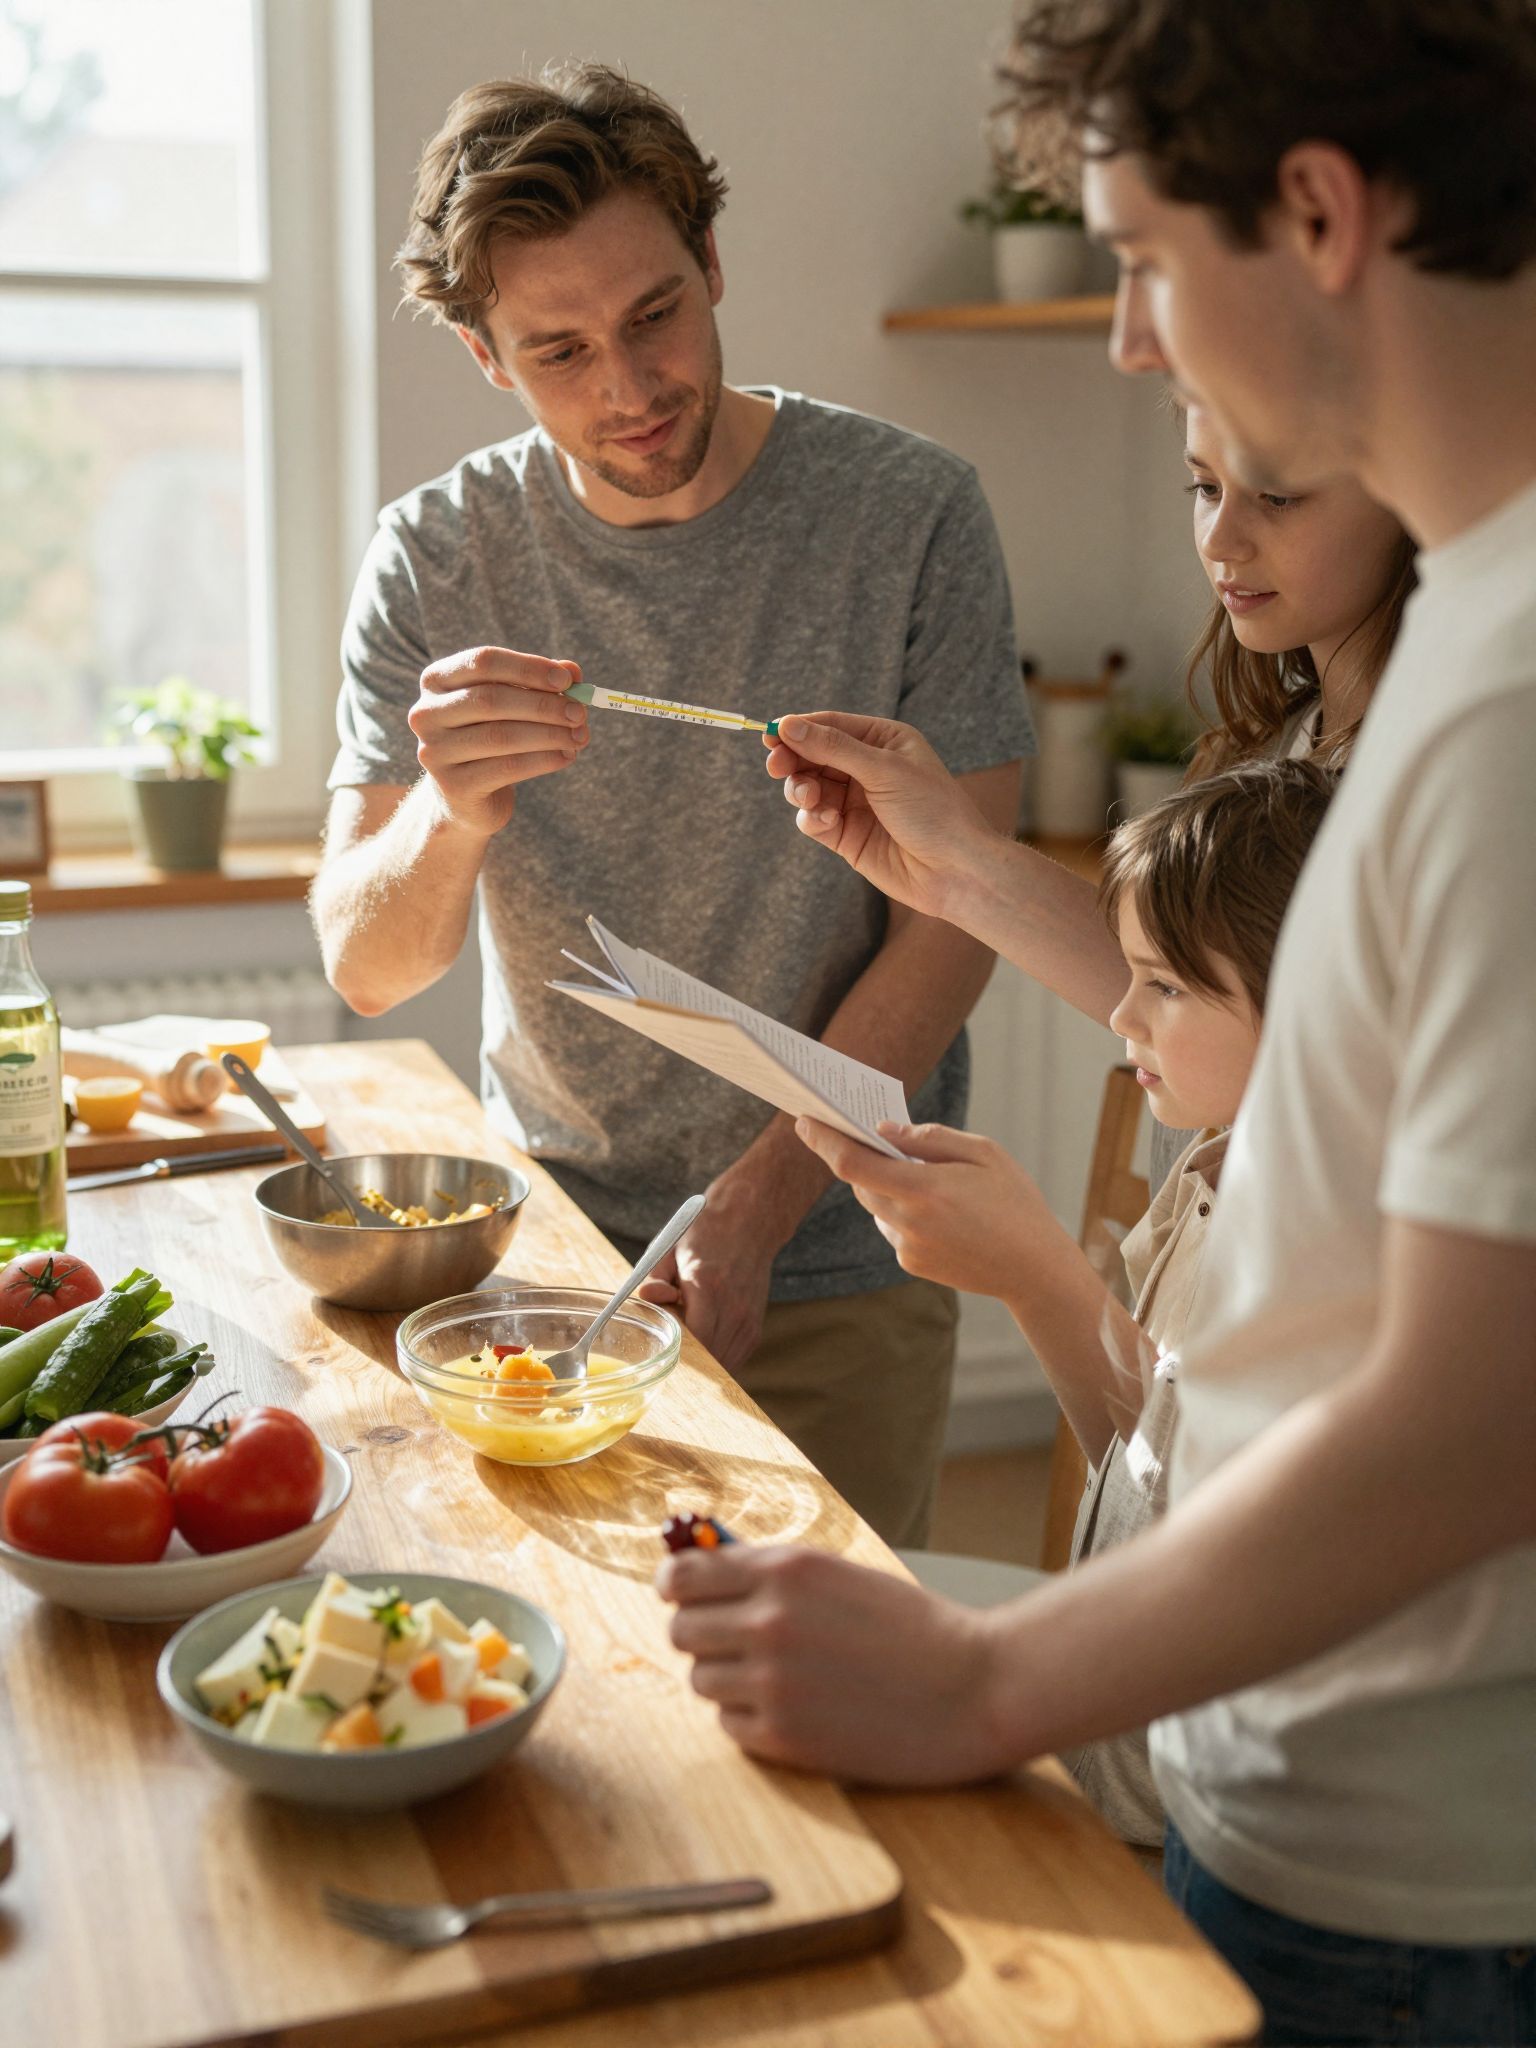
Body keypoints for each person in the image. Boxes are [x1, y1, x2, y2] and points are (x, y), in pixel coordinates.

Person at [660, 5, 1536, 2040]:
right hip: (1277, 1772)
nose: (1132, 336)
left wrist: (990, 1681)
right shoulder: (1461, 638)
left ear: (1316, 214)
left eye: (1142, 256)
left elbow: (1483, 1418)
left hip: (1395, 1875)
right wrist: (958, 867)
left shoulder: (1501, 705)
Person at [310, 64, 1031, 1549]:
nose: (629, 392)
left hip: (846, 1249)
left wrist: (763, 1202)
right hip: (548, 1260)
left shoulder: (911, 516)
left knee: (838, 1725)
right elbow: (367, 969)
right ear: (485, 354)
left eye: (655, 317)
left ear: (711, 262)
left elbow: (957, 928)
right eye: (560, 349)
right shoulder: (435, 554)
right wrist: (449, 815)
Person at [803, 758, 1334, 1852]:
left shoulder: (1324, 1261)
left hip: (1188, 1836)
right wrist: (1023, 1276)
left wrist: (1039, 1268)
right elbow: (1148, 1450)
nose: (1121, 1012)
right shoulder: (1210, 1171)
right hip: (1109, 1772)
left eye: (1169, 988)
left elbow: (1228, 1573)